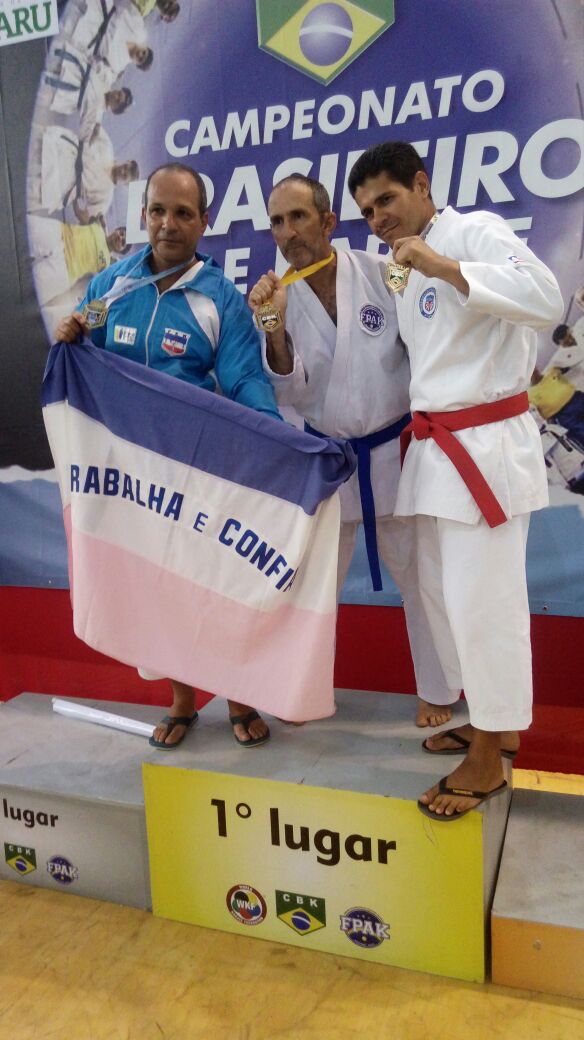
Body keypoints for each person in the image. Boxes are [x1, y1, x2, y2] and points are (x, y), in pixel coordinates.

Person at [348, 141, 563, 820]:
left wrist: (443, 265)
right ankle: (493, 723)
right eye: (366, 210)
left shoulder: (473, 232)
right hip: (438, 450)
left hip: (484, 450)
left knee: (485, 605)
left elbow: (545, 298)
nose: (378, 217)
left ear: (421, 184)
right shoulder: (404, 264)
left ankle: (491, 757)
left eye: (386, 199)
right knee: (450, 599)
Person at [54, 162, 280, 750]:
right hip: (129, 478)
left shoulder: (220, 298)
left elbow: (245, 381)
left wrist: (282, 444)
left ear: (204, 221)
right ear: (143, 215)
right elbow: (88, 347)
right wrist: (72, 334)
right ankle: (182, 700)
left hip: (197, 472)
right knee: (154, 592)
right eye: (158, 210)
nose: (168, 224)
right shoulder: (109, 288)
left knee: (215, 586)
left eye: (183, 213)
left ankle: (239, 695)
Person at [248, 173, 458, 728]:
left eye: (298, 217)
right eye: (277, 222)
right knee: (311, 586)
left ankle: (439, 689)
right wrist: (273, 329)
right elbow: (288, 390)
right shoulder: (274, 297)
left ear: (327, 221)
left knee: (423, 578)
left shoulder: (380, 271)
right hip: (329, 462)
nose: (288, 232)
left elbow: (421, 339)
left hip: (394, 452)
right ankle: (299, 690)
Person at [39, 123, 139, 223]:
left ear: (125, 184)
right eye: (125, 166)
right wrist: (90, 137)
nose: (122, 171)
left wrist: (74, 197)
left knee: (34, 189)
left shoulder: (105, 197)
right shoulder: (108, 147)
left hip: (61, 184)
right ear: (127, 161)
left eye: (125, 176)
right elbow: (94, 125)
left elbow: (86, 219)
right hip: (62, 150)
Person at [28, 216, 128, 307]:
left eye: (123, 242)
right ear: (116, 230)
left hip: (65, 270)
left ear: (120, 251)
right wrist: (102, 224)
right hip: (60, 234)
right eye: (121, 233)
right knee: (27, 229)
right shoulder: (98, 226)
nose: (120, 238)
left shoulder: (106, 264)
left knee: (31, 291)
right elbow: (89, 214)